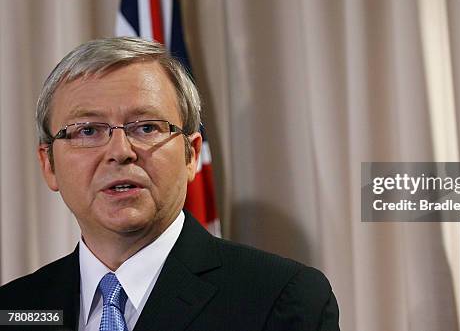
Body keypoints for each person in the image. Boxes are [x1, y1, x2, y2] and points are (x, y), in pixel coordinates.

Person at [0, 37, 339, 331]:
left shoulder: (280, 298)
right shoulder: (14, 307)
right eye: (88, 130)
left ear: (191, 155)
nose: (120, 152)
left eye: (146, 128)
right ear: (49, 165)